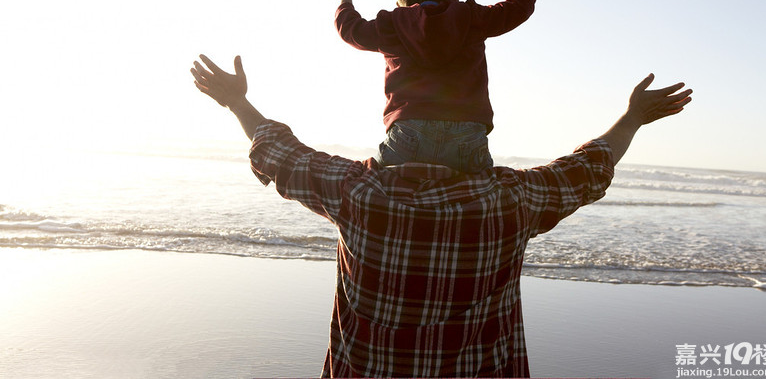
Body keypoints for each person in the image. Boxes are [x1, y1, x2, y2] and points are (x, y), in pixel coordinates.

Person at [190, 54, 692, 378]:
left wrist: (238, 103)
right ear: (478, 148)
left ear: (392, 146)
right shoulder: (509, 201)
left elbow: (280, 153)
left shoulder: (359, 195)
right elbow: (588, 169)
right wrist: (632, 118)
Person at [325, 0, 555, 173]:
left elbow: (352, 31)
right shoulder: (472, 17)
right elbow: (513, 11)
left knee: (373, 179)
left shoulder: (393, 24)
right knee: (482, 186)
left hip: (408, 131)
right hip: (468, 134)